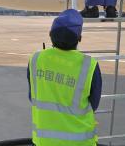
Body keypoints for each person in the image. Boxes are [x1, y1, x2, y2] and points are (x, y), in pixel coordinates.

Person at [27, 9, 102, 145]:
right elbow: (94, 104)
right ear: (79, 38)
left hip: (44, 142)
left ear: (51, 35)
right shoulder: (89, 65)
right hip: (80, 142)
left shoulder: (36, 60)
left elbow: (32, 97)